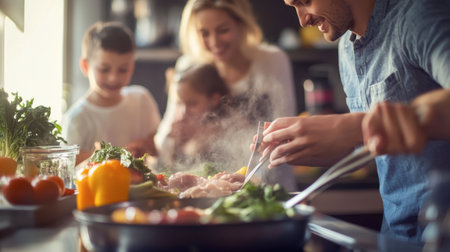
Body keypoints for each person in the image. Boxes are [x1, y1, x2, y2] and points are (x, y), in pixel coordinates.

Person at [259, 0, 450, 242]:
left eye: (305, 2)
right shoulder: (346, 49)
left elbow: (363, 128)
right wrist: (315, 147)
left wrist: (352, 127)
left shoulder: (419, 16)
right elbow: (373, 148)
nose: (302, 20)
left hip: (441, 231)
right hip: (395, 236)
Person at [155, 0, 298, 191]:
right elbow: (165, 139)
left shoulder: (272, 61)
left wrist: (248, 180)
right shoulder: (189, 66)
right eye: (204, 33)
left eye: (222, 30)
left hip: (269, 189)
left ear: (242, 24)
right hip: (206, 190)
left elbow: (284, 135)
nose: (214, 42)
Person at [61, 21, 161, 164]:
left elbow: (159, 145)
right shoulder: (76, 118)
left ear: (132, 68)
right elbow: (68, 163)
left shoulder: (142, 99)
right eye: (104, 69)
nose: (114, 78)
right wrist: (103, 155)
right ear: (85, 66)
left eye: (123, 70)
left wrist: (145, 145)